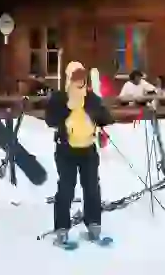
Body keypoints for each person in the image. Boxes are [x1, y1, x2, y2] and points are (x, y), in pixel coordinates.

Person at [44, 61, 112, 247]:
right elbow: (50, 120)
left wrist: (97, 111)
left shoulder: (91, 98)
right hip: (66, 150)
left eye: (82, 77)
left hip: (88, 150)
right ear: (68, 77)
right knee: (66, 188)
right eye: (75, 77)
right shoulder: (59, 98)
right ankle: (62, 229)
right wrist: (68, 106)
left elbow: (107, 117)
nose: (79, 80)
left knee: (91, 187)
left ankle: (93, 225)